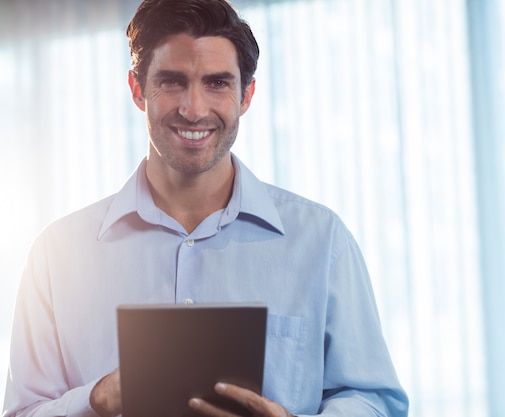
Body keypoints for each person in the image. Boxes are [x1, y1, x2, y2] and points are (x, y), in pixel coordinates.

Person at [2, 0, 409, 416]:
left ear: (246, 95)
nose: (194, 109)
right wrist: (96, 400)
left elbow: (375, 402)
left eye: (217, 83)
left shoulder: (322, 241)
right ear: (138, 90)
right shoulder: (56, 255)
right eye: (172, 82)